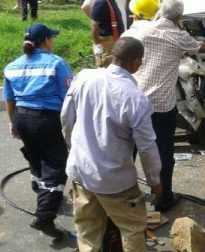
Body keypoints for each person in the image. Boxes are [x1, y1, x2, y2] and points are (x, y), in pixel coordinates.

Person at [62, 37, 162, 251]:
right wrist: (155, 181)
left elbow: (66, 118)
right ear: (136, 62)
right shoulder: (136, 99)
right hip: (115, 181)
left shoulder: (84, 77)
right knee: (132, 228)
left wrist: (74, 149)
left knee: (87, 230)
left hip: (81, 171)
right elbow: (147, 147)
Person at [122, 0, 205, 212]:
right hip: (160, 106)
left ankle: (123, 195)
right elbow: (199, 47)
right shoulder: (178, 35)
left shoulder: (141, 30)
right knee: (162, 154)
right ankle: (164, 197)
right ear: (179, 18)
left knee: (128, 149)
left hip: (132, 101)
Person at [3, 24, 73, 239]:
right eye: (52, 38)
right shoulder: (56, 64)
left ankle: (41, 189)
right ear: (45, 41)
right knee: (56, 164)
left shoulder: (12, 66)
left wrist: (12, 122)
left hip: (22, 117)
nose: (54, 41)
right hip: (46, 119)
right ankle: (44, 216)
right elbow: (70, 97)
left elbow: (9, 98)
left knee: (35, 156)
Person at [91, 0, 125, 67]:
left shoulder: (111, 1)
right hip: (107, 45)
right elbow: (94, 25)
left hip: (114, 42)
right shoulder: (102, 3)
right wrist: (98, 45)